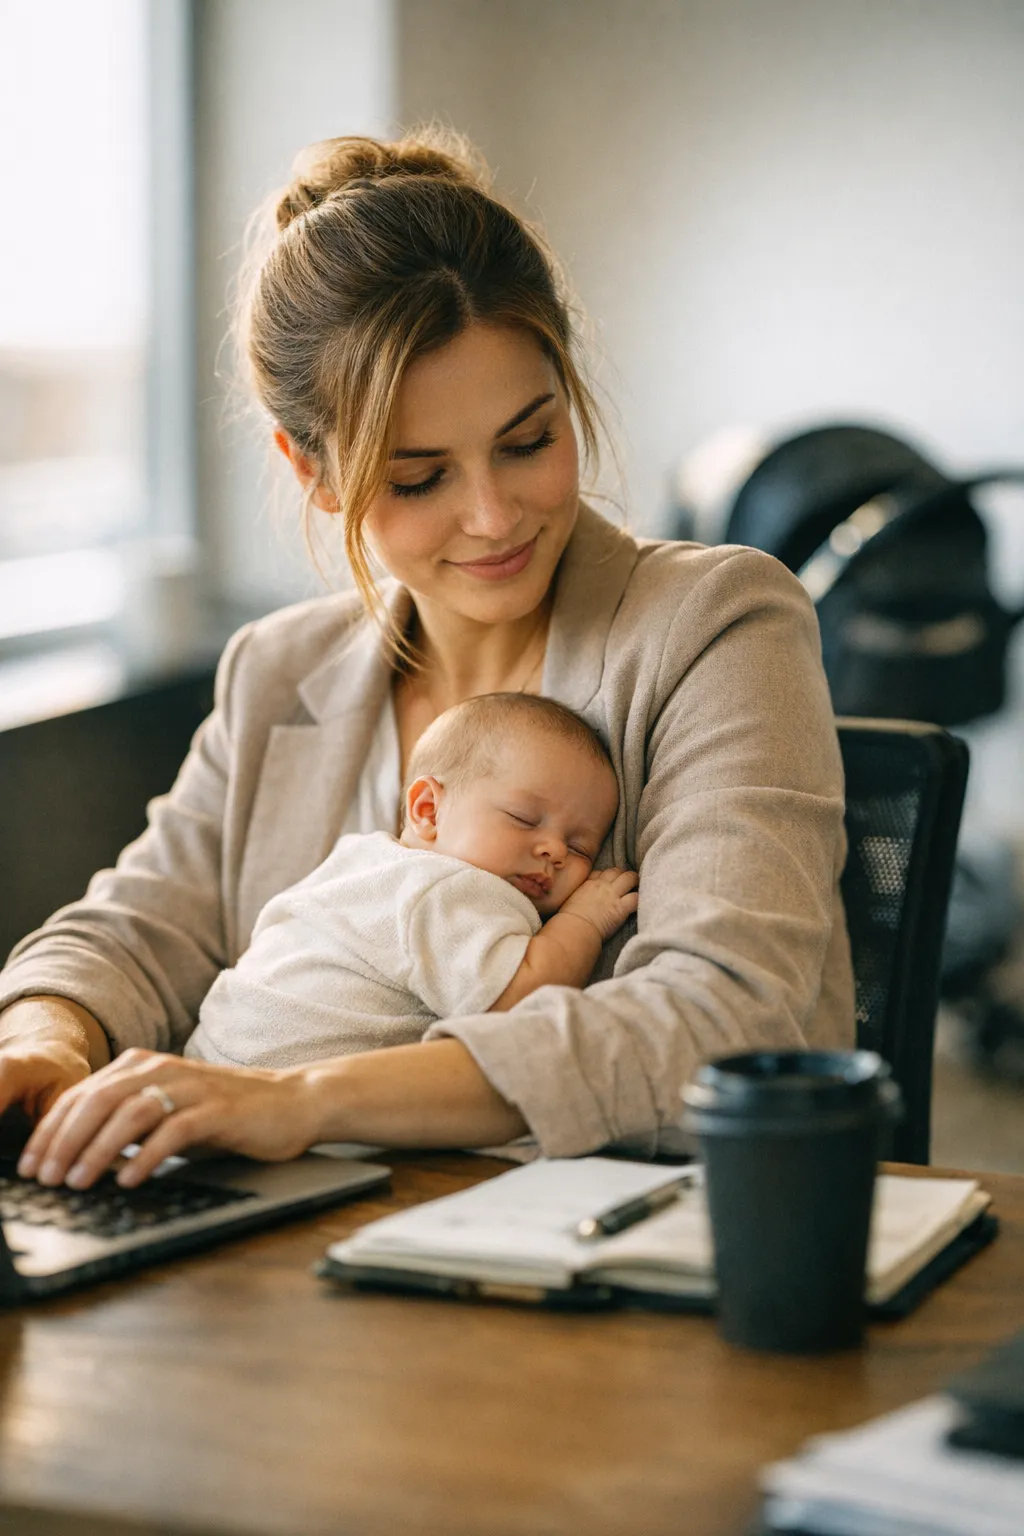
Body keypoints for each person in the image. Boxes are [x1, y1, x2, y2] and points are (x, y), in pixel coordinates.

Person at [0, 129, 854, 1194]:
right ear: (311, 471)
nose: (493, 517)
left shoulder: (717, 625)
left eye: (529, 441)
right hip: (308, 1266)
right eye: (417, 479)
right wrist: (45, 1039)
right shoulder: (278, 673)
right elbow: (133, 932)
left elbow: (725, 1014)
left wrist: (304, 1102)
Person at [187, 692, 638, 1068]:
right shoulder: (444, 888)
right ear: (427, 809)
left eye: (580, 847)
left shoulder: (364, 860)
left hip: (214, 1056)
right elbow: (515, 1003)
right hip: (274, 1078)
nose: (555, 851)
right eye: (524, 818)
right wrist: (584, 920)